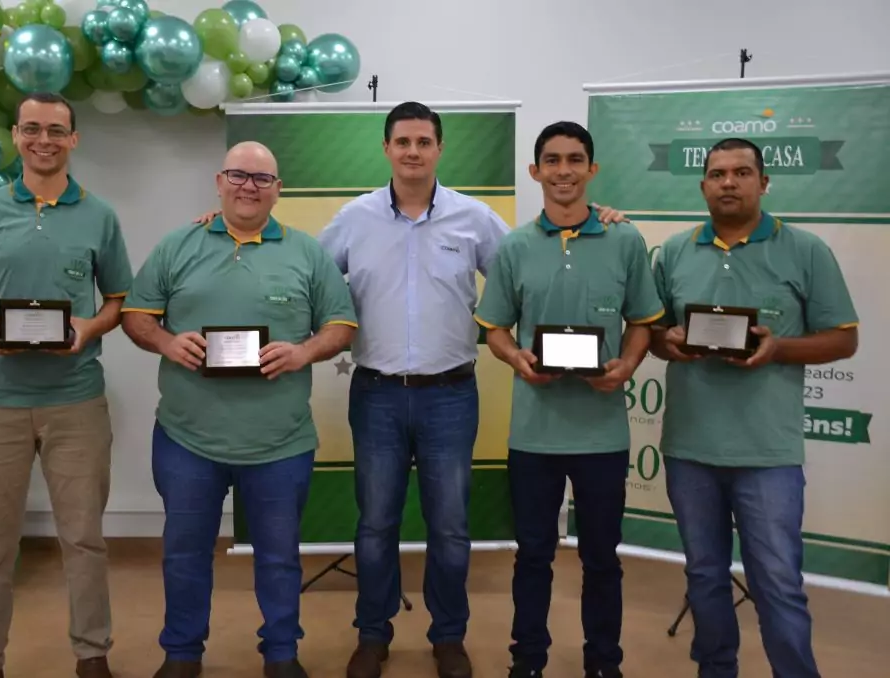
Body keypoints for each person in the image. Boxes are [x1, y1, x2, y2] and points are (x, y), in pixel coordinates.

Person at [194, 103, 627, 678]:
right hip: (375, 394)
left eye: (424, 141)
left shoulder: (473, 218)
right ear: (387, 149)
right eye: (403, 141)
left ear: (439, 150)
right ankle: (372, 635)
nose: (413, 151)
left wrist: (597, 220)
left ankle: (448, 636)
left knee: (450, 527)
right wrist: (230, 225)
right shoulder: (355, 219)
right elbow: (299, 273)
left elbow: (533, 261)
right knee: (375, 525)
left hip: (450, 394)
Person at [121, 141, 357, 678]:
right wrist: (165, 342)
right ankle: (182, 654)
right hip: (187, 440)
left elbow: (341, 326)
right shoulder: (178, 244)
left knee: (278, 558)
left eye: (261, 179)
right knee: (184, 556)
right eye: (238, 175)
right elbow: (136, 315)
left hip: (280, 442)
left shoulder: (306, 253)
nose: (248, 186)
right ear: (219, 181)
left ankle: (281, 655)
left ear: (278, 190)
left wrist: (304, 351)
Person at [649, 138, 859, 678]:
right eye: (717, 174)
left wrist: (777, 348)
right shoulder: (674, 251)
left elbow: (843, 340)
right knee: (704, 576)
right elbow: (651, 333)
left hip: (768, 453)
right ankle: (715, 669)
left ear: (763, 183)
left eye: (742, 172)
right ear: (703, 186)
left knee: (778, 582)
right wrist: (665, 339)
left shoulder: (805, 249)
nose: (728, 182)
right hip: (690, 448)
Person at [0, 92, 134, 678]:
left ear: (74, 139)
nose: (43, 140)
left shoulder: (100, 215)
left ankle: (92, 654)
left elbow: (118, 301)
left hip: (75, 399)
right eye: (32, 129)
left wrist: (89, 326)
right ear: (17, 137)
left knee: (83, 540)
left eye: (56, 130)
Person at [473, 121, 663, 678]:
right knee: (532, 556)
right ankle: (527, 660)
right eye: (551, 160)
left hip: (602, 435)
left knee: (602, 560)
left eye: (575, 160)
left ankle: (604, 662)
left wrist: (627, 365)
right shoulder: (513, 247)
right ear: (535, 172)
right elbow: (496, 330)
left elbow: (643, 323)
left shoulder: (625, 240)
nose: (563, 170)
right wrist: (516, 360)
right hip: (534, 435)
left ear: (591, 170)